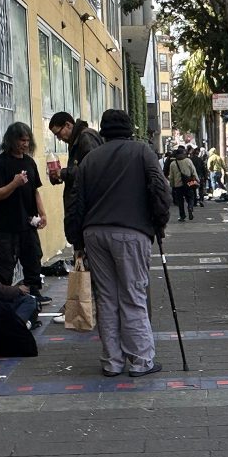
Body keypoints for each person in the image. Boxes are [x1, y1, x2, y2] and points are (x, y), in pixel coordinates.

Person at [67, 109, 171, 378]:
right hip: (131, 231)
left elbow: (75, 202)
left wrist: (76, 239)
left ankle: (112, 361)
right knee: (133, 295)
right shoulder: (142, 152)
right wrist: (159, 222)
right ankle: (140, 360)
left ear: (103, 130)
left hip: (94, 233)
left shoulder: (89, 159)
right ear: (128, 129)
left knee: (107, 298)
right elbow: (160, 189)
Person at [48, 112, 104, 323]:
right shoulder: (80, 139)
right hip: (83, 209)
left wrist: (64, 173)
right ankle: (83, 304)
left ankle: (84, 305)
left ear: (68, 125)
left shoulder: (85, 138)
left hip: (85, 211)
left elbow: (89, 170)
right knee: (83, 258)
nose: (59, 137)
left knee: (84, 257)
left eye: (59, 132)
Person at [0, 122, 51, 305]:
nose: (25, 144)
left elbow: (35, 191)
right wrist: (14, 183)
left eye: (27, 140)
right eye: (21, 140)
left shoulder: (29, 162)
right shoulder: (0, 163)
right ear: (11, 140)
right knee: (6, 263)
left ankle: (34, 293)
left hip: (28, 223)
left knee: (33, 258)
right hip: (7, 225)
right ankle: (4, 296)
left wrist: (43, 213)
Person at [168, 146, 199, 222]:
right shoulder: (188, 161)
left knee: (180, 201)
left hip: (178, 185)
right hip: (188, 183)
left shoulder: (173, 164)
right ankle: (190, 207)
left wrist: (172, 185)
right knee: (191, 197)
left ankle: (182, 216)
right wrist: (197, 180)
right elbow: (193, 171)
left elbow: (171, 176)